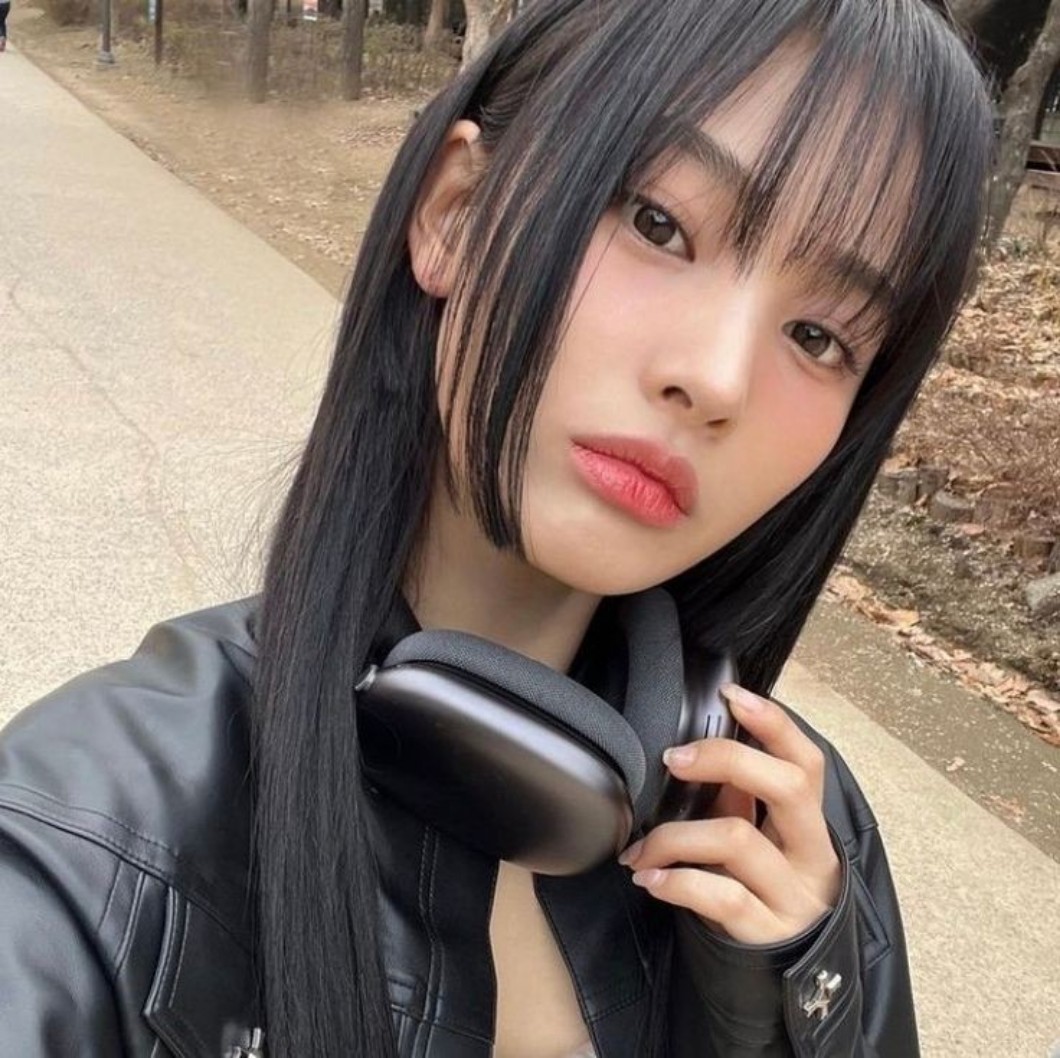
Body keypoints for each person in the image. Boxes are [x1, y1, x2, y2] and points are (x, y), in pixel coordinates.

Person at [0, 1, 993, 1055]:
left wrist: (791, 1010)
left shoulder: (793, 845)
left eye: (819, 335)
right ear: (455, 211)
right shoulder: (79, 855)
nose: (716, 379)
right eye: (658, 223)